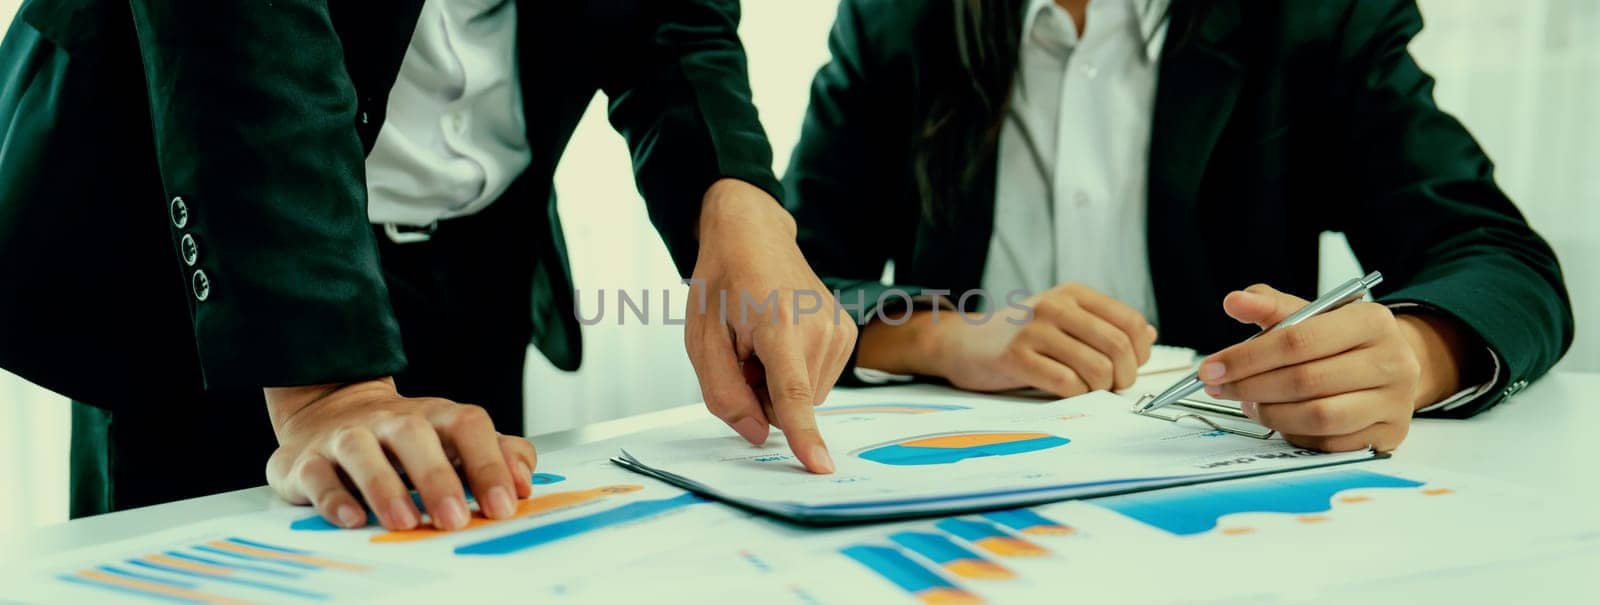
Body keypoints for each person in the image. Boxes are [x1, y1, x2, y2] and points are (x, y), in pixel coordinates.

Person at [0, 0, 852, 530]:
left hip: (476, 259)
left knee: (460, 538)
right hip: (213, 277)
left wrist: (731, 188)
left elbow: (671, 11)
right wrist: (327, 388)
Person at [783, 0, 1573, 452]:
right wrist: (944, 336)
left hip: (1219, 497)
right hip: (950, 494)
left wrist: (1412, 350)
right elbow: (783, 286)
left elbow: (1500, 260)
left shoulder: (1317, 15)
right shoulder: (895, 18)